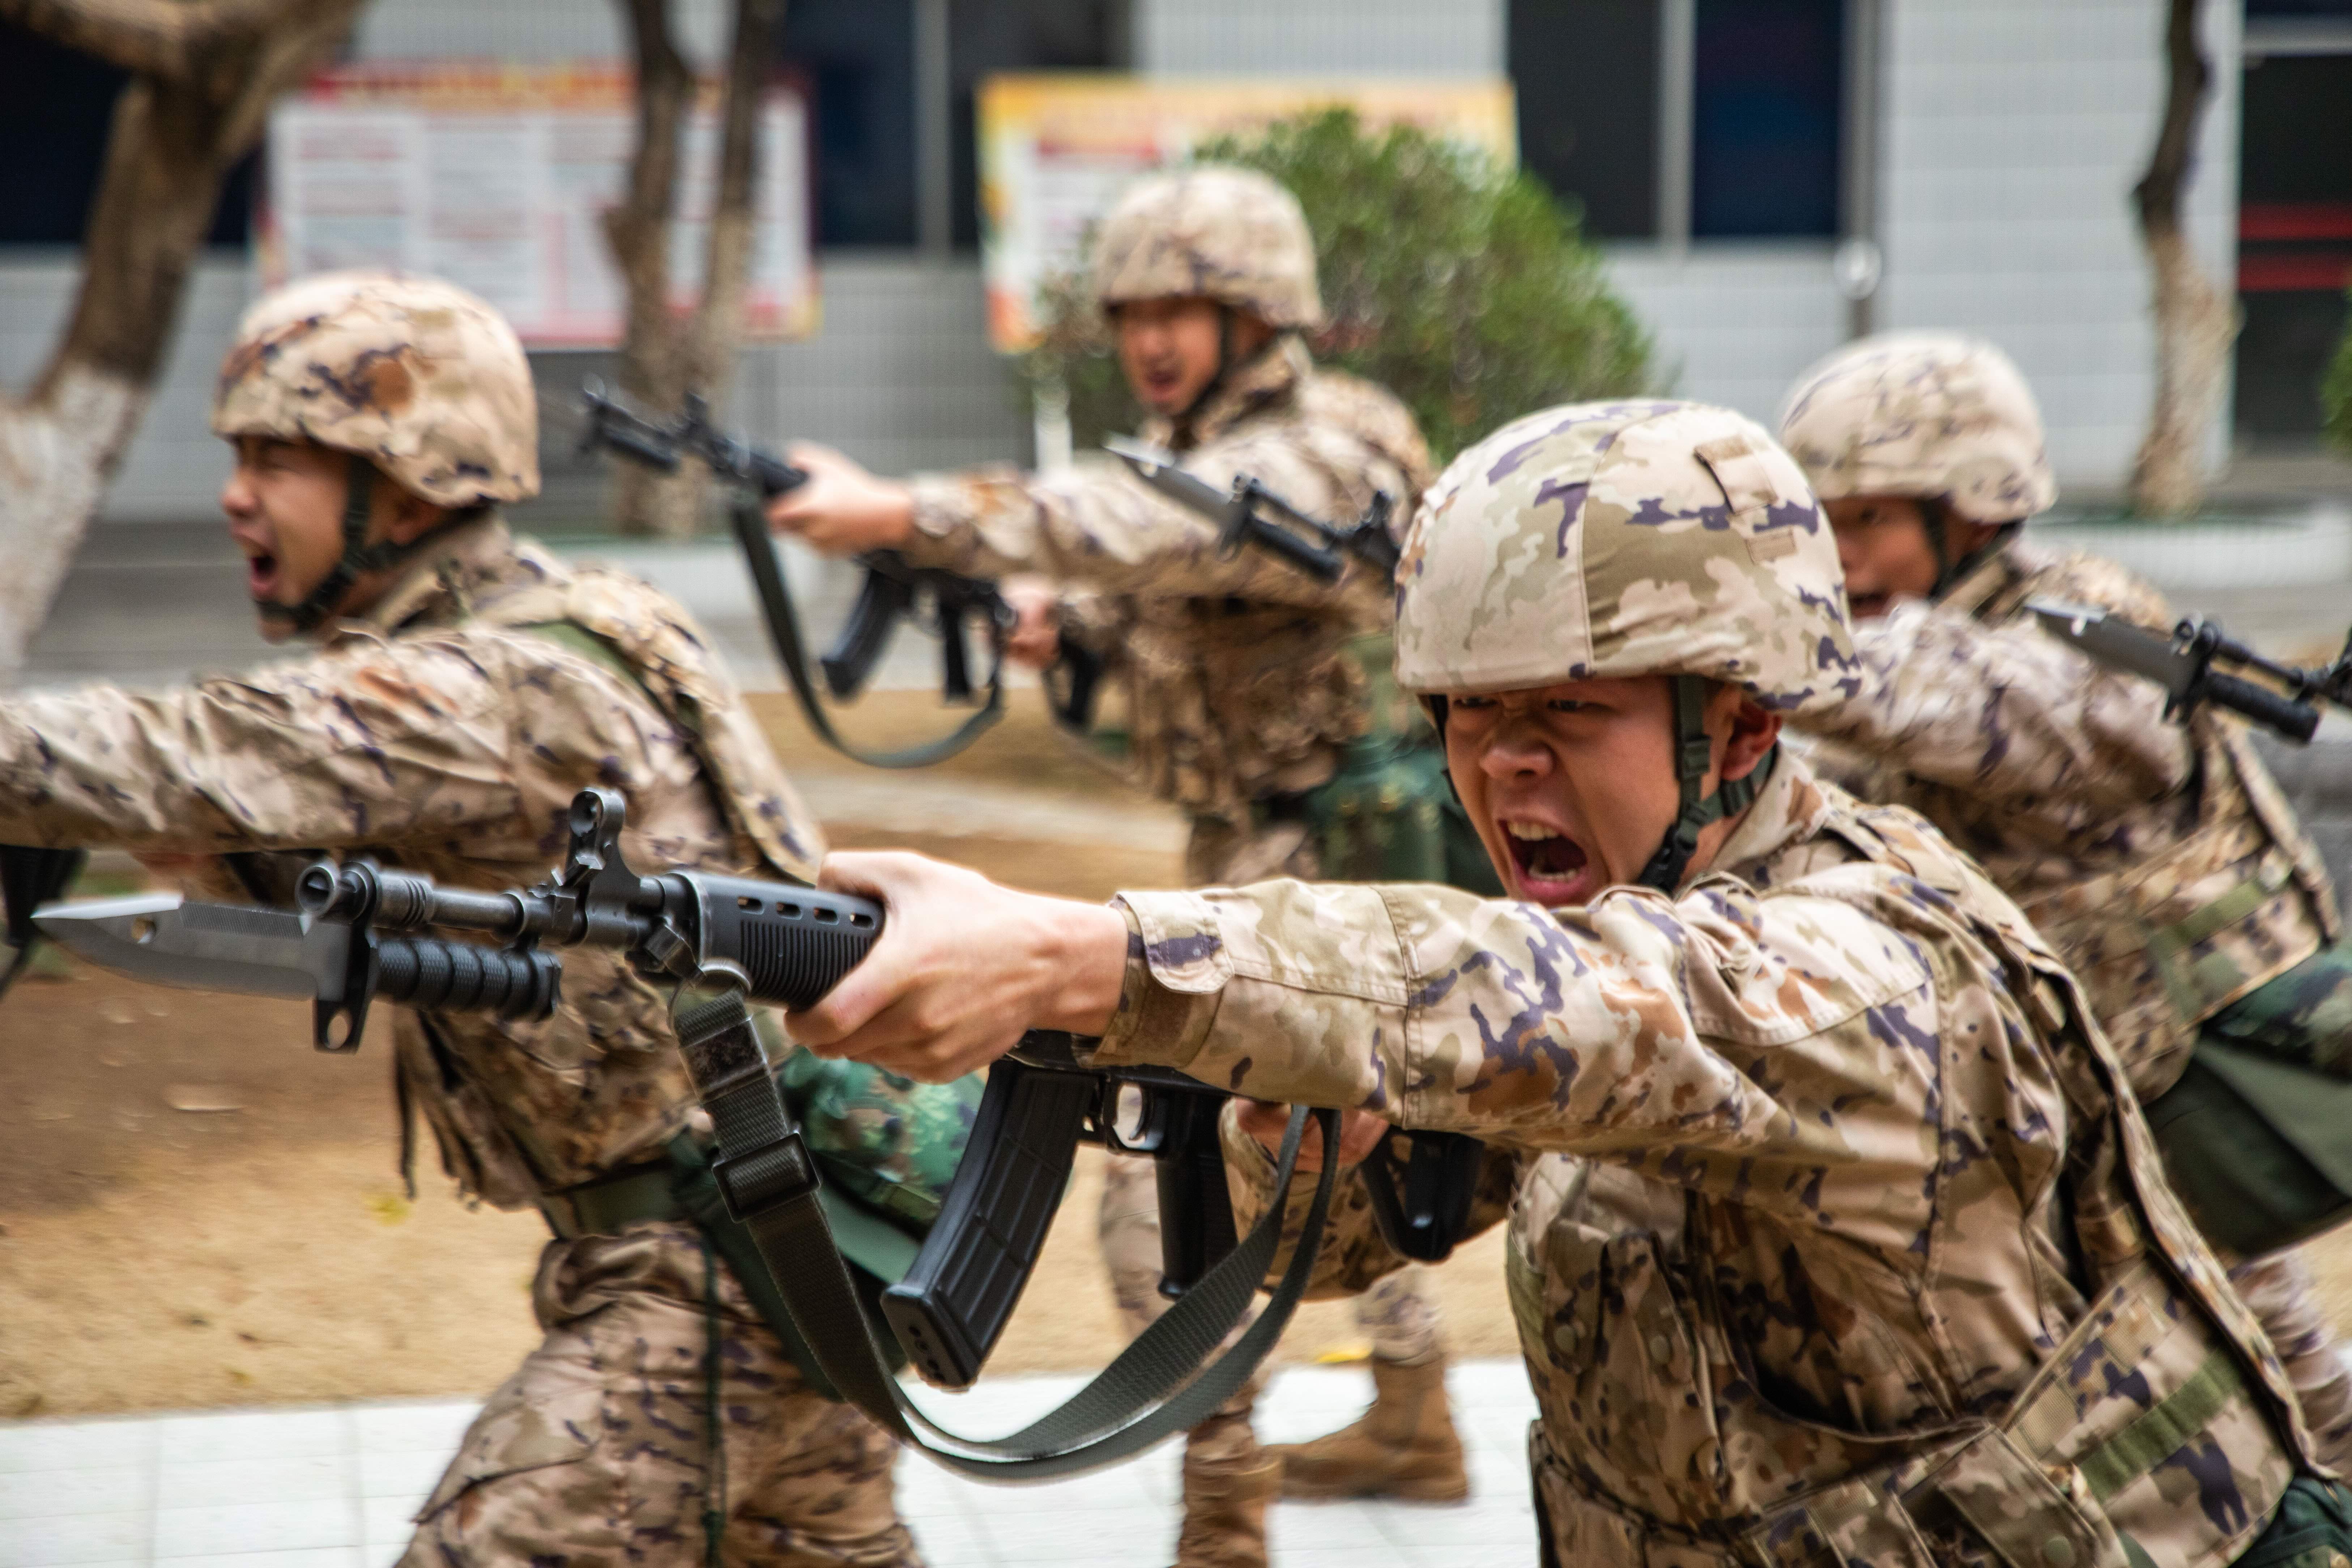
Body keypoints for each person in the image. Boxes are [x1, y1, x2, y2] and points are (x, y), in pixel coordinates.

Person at [780, 398, 2352, 1567]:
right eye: (1465, 711)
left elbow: (1594, 998)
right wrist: (1297, 1137)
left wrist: (1080, 955)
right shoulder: (1617, 915)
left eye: (1568, 714)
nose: (1501, 763)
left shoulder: (1869, 966)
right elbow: (1339, 1235)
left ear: (1738, 728)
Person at [0, 272, 939, 1567]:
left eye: (281, 458)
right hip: (800, 1251)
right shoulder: (577, 621)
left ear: (410, 484)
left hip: (707, 1280)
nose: (236, 494)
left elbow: (190, 744)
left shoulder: (491, 685)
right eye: (240, 455)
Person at [766, 166, 1482, 1553]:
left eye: (1186, 307)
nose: (1152, 337)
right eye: (1134, 309)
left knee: (1164, 1179)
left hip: (1333, 864)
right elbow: (1191, 610)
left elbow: (1181, 522)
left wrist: (901, 515)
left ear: (1259, 313)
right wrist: (1078, 640)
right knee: (1327, 1156)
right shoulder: (1208, 455)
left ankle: (1224, 1519)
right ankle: (1411, 1414)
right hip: (1253, 851)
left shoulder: (1326, 450)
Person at [1778, 331, 2352, 1471]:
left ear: (1976, 511)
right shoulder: (1898, 654)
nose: (1840, 561)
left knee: (2275, 1401)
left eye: (1869, 523)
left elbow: (1990, 707)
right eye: (1821, 528)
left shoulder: (2074, 613)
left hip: (2191, 1088)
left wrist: (1756, 647)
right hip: (2085, 1118)